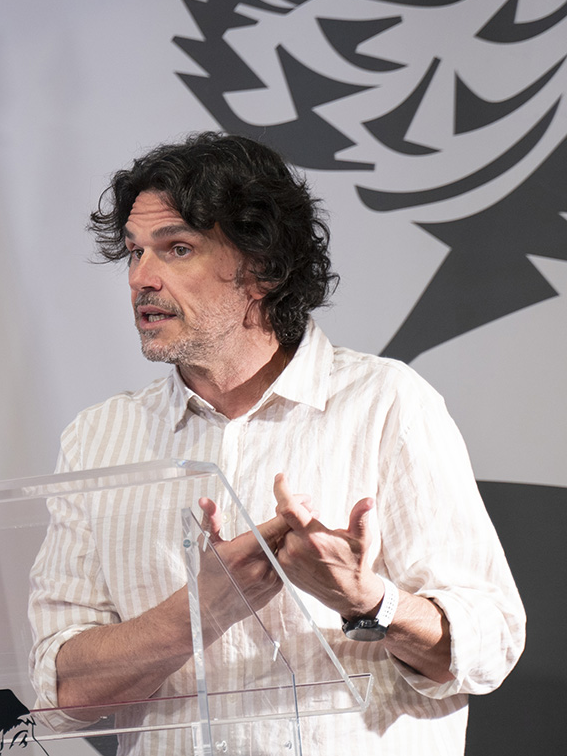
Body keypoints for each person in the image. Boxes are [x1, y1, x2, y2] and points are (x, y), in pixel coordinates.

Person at [27, 132, 525, 755]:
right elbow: (62, 693)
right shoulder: (99, 438)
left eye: (177, 249)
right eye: (133, 253)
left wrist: (369, 602)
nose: (141, 279)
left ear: (261, 268)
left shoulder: (387, 403)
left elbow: (490, 645)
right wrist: (203, 609)